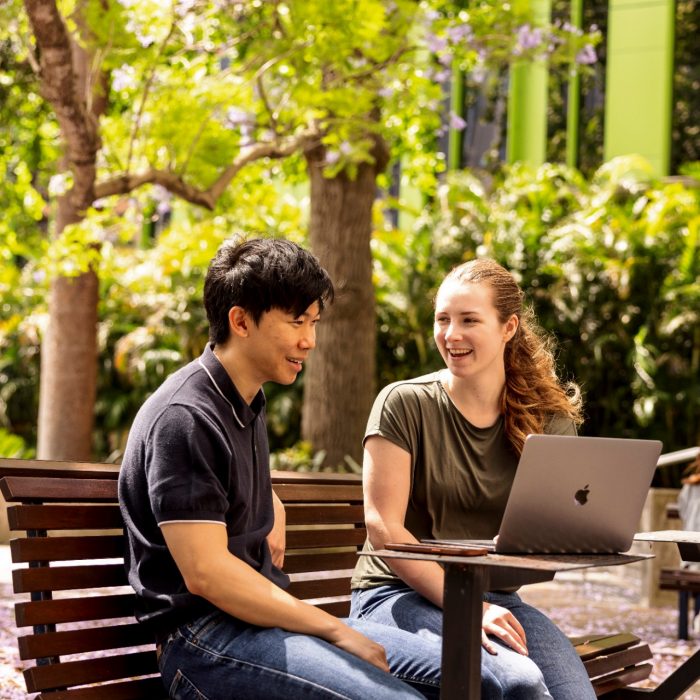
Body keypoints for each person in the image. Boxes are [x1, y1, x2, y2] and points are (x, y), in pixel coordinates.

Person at [117, 238, 541, 700]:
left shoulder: (242, 402)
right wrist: (335, 631)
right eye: (297, 322)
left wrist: (270, 496)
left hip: (263, 626)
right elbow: (207, 574)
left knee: (498, 680)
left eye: (313, 322)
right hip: (205, 642)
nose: (310, 341)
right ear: (240, 321)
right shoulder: (185, 416)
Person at [350, 257, 597, 699]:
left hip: (497, 600)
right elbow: (384, 528)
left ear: (508, 328)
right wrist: (472, 609)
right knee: (519, 683)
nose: (451, 335)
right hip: (394, 594)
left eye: (469, 320)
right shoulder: (404, 404)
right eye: (442, 319)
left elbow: (558, 530)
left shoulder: (548, 419)